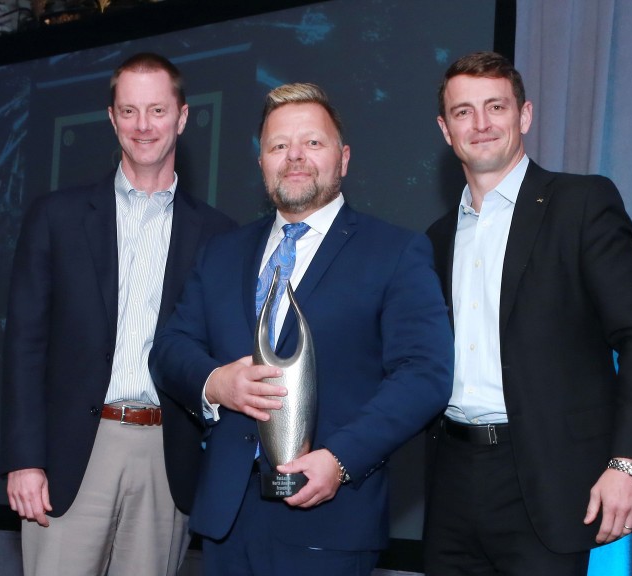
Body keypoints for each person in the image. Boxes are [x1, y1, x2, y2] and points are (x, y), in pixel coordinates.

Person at [149, 82, 453, 576]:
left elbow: (426, 375)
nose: (295, 157)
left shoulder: (395, 252)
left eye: (312, 142)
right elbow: (170, 348)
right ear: (262, 161)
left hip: (330, 521)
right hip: (228, 521)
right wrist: (215, 382)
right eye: (278, 146)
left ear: (344, 158)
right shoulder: (223, 252)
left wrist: (341, 459)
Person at [423, 51, 632, 576]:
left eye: (496, 106)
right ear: (446, 131)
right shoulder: (436, 238)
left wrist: (629, 465)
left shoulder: (581, 203)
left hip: (548, 480)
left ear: (525, 116)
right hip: (452, 483)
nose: (483, 123)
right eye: (465, 112)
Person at [0, 52, 236, 576]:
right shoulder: (55, 218)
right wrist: (23, 458)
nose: (143, 125)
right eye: (128, 111)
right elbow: (24, 347)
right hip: (69, 456)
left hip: (168, 456)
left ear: (181, 117)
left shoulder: (220, 236)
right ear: (111, 119)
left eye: (156, 110)